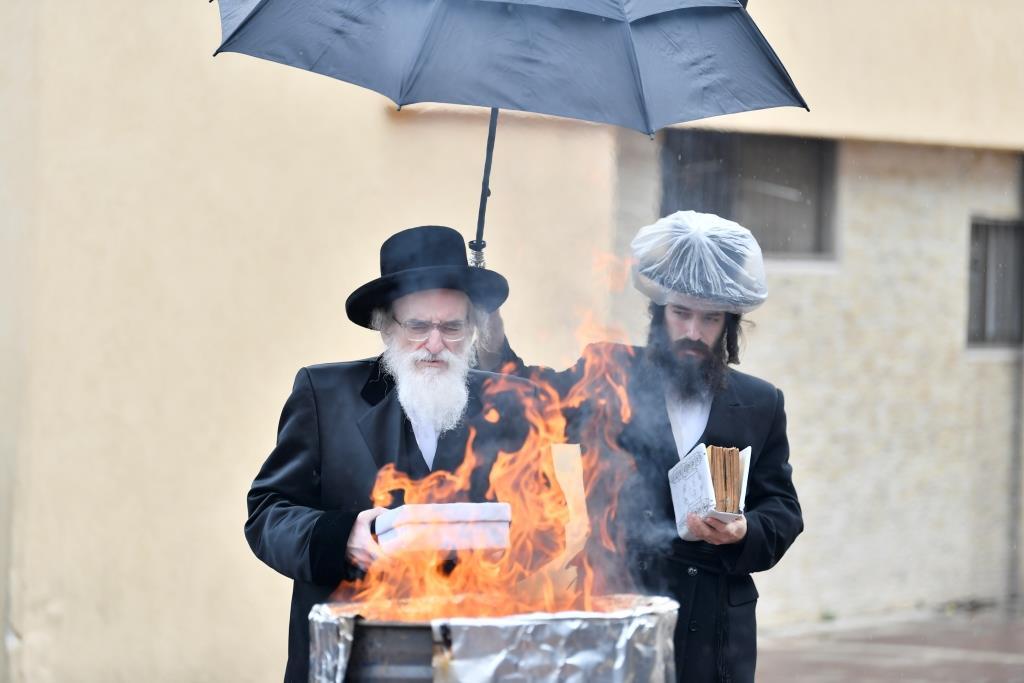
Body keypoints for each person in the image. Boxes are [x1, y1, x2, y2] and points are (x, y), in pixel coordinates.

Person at [490, 210, 803, 683]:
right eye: (681, 313)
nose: (693, 332)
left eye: (710, 318)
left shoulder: (760, 402)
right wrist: (486, 321)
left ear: (729, 325)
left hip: (717, 630)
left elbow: (782, 509)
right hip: (623, 603)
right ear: (659, 313)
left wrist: (744, 531)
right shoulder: (609, 373)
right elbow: (533, 399)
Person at [245, 225, 547, 683]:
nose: (435, 344)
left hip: (473, 658)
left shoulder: (510, 403)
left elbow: (547, 524)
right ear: (386, 326)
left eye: (452, 327)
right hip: (355, 658)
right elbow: (267, 514)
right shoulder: (323, 395)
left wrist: (489, 546)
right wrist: (340, 537)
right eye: (418, 326)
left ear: (472, 329)